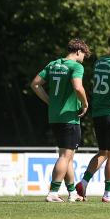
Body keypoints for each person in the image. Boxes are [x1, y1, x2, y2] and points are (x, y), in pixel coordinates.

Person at [30, 39, 91, 202]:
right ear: (78, 51)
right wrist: (85, 103)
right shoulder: (76, 66)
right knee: (65, 156)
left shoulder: (53, 64)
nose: (84, 59)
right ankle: (53, 192)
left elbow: (35, 84)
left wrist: (50, 101)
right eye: (84, 55)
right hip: (69, 117)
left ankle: (72, 193)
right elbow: (78, 87)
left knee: (67, 156)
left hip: (55, 116)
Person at [77, 31, 110, 203]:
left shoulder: (100, 61)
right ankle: (108, 193)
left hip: (98, 113)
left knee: (103, 152)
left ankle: (84, 182)